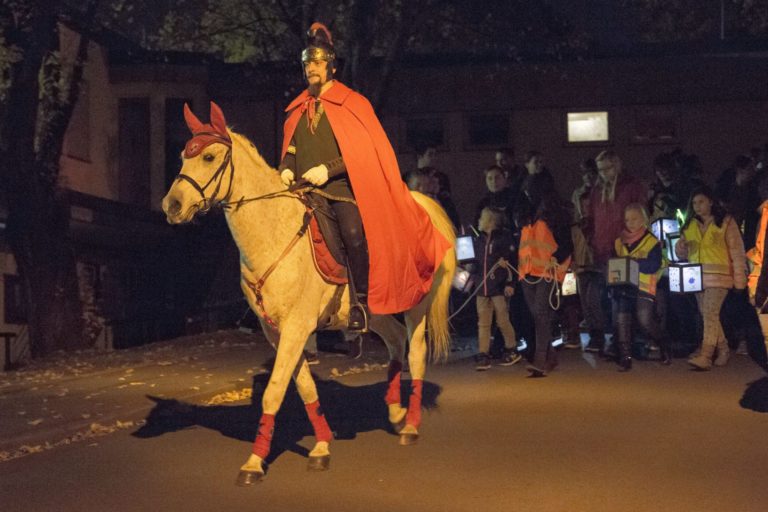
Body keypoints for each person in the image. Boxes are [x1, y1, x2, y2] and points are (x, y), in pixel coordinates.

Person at [278, 23, 452, 333]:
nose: (311, 69)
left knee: (353, 232)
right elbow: (291, 146)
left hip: (341, 189)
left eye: (317, 63)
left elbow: (361, 153)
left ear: (331, 66)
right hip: (304, 191)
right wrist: (286, 167)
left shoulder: (353, 104)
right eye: (307, 64)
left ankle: (360, 302)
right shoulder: (298, 109)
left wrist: (327, 171)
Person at [676, 186, 747, 370]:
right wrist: (681, 248)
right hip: (696, 279)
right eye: (694, 203)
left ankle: (706, 355)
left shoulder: (725, 222)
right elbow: (681, 254)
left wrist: (740, 280)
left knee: (709, 312)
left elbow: (737, 252)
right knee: (709, 315)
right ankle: (723, 349)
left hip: (719, 277)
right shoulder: (690, 225)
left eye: (701, 201)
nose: (697, 206)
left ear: (711, 202)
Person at [582, 150, 647, 354]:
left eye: (606, 168)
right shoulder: (598, 189)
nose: (603, 173)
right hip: (603, 250)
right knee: (603, 296)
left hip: (625, 250)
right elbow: (591, 218)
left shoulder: (631, 186)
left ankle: (623, 340)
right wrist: (592, 240)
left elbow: (641, 214)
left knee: (621, 297)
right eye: (600, 170)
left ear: (616, 165)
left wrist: (634, 242)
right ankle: (612, 338)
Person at [517, 172, 573, 377]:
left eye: (530, 189)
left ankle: (540, 360)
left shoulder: (554, 215)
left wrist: (556, 261)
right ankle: (550, 356)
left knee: (541, 314)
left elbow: (567, 245)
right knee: (540, 316)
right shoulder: (526, 213)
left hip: (548, 272)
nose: (527, 193)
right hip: (527, 272)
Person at [610, 203, 672, 371]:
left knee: (645, 321)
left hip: (644, 286)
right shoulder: (619, 241)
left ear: (644, 219)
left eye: (634, 219)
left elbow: (653, 265)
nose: (630, 223)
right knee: (622, 320)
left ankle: (663, 344)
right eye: (627, 220)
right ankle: (626, 358)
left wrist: (632, 263)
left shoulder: (652, 242)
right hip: (624, 286)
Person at [469, 207, 522, 370]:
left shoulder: (504, 240)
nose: (478, 220)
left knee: (502, 320)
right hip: (482, 289)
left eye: (482, 218)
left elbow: (513, 263)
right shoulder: (478, 241)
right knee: (483, 323)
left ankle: (511, 348)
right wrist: (470, 267)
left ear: (491, 222)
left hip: (499, 288)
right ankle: (483, 353)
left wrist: (510, 284)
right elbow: (476, 264)